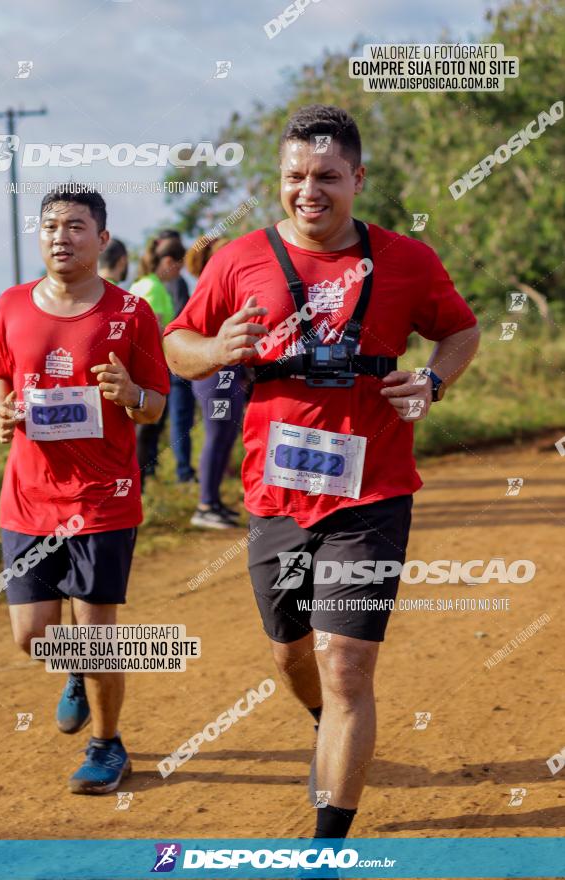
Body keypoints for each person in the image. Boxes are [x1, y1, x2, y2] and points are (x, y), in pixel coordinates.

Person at [164, 104, 480, 843]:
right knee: (290, 650)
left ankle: (325, 844)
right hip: (275, 495)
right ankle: (320, 721)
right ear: (280, 179)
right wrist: (213, 351)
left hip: (372, 494)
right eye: (295, 176)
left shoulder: (407, 260)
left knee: (346, 667)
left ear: (357, 179)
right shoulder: (237, 258)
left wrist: (432, 382)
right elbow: (176, 345)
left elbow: (460, 329)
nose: (310, 190)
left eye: (327, 176)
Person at [0, 184, 169, 794]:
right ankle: (74, 669)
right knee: (32, 633)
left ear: (102, 238)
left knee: (97, 639)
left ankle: (108, 745)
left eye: (74, 226)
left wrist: (132, 396)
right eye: (50, 226)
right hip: (29, 497)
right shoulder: (11, 304)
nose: (59, 237)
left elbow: (157, 404)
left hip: (102, 498)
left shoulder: (131, 313)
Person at [186, 237, 246, 529]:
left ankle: (215, 502)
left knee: (226, 436)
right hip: (214, 377)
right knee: (216, 434)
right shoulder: (208, 288)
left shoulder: (228, 285)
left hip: (229, 374)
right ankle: (205, 504)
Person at [130, 235, 196, 486]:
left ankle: (140, 482)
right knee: (146, 429)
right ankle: (138, 484)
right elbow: (155, 333)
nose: (179, 274)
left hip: (148, 368)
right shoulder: (154, 288)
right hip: (150, 369)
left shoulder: (142, 283)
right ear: (168, 261)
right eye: (179, 267)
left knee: (147, 429)